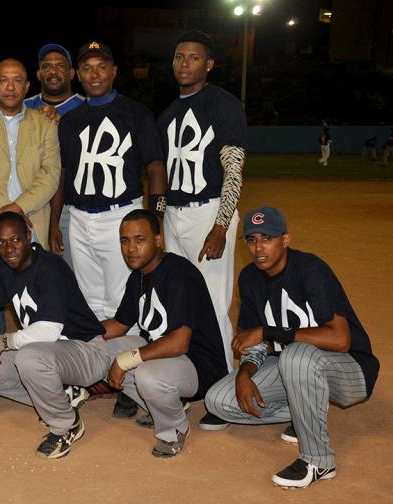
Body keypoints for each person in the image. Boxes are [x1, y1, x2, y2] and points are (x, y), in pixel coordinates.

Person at [204, 206, 379, 488]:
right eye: (251, 240)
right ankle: (305, 410)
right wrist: (245, 374)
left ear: (285, 240)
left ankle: (319, 461)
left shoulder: (311, 270)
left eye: (268, 238)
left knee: (296, 355)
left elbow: (340, 339)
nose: (259, 247)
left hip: (349, 368)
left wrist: (267, 331)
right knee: (219, 400)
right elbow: (254, 341)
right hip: (295, 367)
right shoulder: (249, 278)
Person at [52, 41, 168, 419]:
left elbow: (154, 167)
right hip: (80, 216)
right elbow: (63, 176)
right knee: (91, 302)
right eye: (87, 68)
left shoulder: (135, 112)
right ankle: (102, 375)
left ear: (114, 70)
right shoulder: (69, 120)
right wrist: (55, 223)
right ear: (77, 75)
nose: (95, 74)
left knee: (125, 304)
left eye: (102, 66)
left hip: (123, 213)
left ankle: (131, 384)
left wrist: (155, 218)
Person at [0, 212, 109, 459]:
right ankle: (63, 396)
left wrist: (1, 341)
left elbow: (49, 330)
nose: (9, 248)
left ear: (28, 236)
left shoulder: (51, 267)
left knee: (28, 358)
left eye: (15, 239)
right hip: (47, 353)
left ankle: (65, 425)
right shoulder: (4, 270)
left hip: (86, 351)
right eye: (2, 242)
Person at [157, 31, 245, 423]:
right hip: (174, 215)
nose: (185, 64)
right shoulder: (167, 113)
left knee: (213, 303)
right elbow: (159, 176)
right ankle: (193, 380)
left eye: (193, 58)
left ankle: (222, 394)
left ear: (208, 64)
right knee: (181, 304)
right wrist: (160, 218)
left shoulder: (223, 104)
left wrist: (221, 224)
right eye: (179, 57)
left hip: (208, 211)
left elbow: (234, 166)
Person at [100, 209, 225, 457]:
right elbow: (120, 325)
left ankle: (174, 429)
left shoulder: (180, 274)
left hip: (199, 366)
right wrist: (76, 330)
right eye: (125, 241)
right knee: (100, 350)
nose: (131, 248)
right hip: (168, 359)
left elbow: (179, 342)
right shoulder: (138, 277)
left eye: (140, 239)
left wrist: (125, 360)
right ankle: (168, 403)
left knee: (145, 372)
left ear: (158, 240)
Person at [0, 58, 60, 334]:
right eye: (3, 79)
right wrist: (6, 211)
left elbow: (51, 173)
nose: (10, 86)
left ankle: (39, 362)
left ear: (27, 86)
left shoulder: (44, 122)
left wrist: (20, 207)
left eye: (17, 80)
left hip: (33, 224)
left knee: (39, 303)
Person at [26, 43, 85, 270]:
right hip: (33, 207)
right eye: (46, 66)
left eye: (60, 66)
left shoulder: (85, 107)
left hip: (72, 208)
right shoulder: (23, 106)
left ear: (71, 73)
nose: (53, 71)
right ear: (39, 73)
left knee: (70, 276)